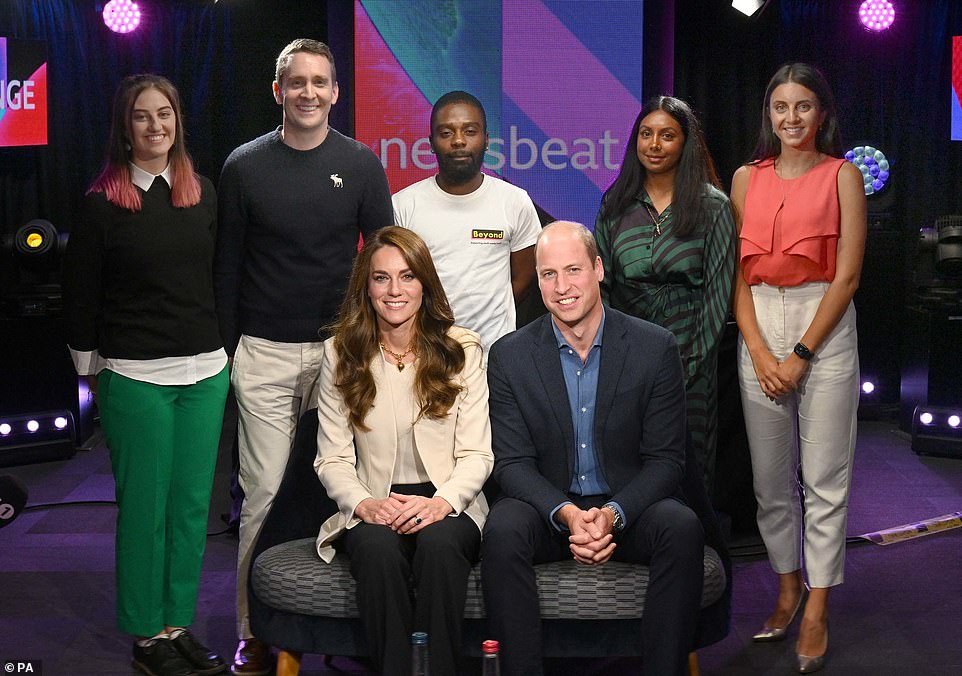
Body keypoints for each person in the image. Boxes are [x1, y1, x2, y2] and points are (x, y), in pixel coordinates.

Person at [213, 39, 393, 675]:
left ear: (336, 91)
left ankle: (359, 623)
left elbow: (385, 263)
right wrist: (230, 351)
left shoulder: (363, 165)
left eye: (320, 82)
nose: (309, 93)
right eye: (297, 83)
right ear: (278, 90)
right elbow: (227, 267)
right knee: (262, 494)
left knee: (356, 490)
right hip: (263, 352)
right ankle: (255, 630)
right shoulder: (244, 166)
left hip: (344, 352)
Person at [481, 221, 705, 676]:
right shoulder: (509, 355)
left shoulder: (653, 347)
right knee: (502, 528)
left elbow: (667, 461)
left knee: (681, 526)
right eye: (548, 275)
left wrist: (613, 514)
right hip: (550, 509)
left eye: (573, 270)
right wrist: (566, 514)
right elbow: (513, 464)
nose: (562, 287)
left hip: (628, 508)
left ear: (599, 269)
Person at [63, 74, 229, 676]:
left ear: (178, 121)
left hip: (205, 374)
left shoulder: (202, 192)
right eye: (142, 116)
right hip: (134, 377)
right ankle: (146, 637)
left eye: (165, 114)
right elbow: (80, 293)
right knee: (145, 511)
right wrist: (90, 371)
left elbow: (216, 281)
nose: (156, 126)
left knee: (190, 509)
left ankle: (176, 624)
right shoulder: (102, 202)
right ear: (124, 127)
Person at [731, 63, 865, 674]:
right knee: (768, 481)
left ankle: (817, 605)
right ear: (769, 112)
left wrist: (802, 354)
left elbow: (848, 276)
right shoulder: (743, 178)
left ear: (821, 111)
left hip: (824, 323)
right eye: (781, 106)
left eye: (803, 106)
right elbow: (733, 275)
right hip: (758, 320)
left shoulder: (843, 175)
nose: (791, 118)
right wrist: (760, 350)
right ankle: (786, 589)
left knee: (824, 478)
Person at [314, 226, 493, 676]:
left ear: (425, 284)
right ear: (366, 287)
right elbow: (331, 457)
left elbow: (477, 454)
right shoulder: (341, 352)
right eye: (381, 278)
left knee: (439, 544)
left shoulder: (461, 349)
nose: (395, 290)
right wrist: (363, 504)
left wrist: (442, 503)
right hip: (377, 500)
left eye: (407, 276)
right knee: (375, 551)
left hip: (448, 499)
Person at [594, 95, 736, 495]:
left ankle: (693, 552)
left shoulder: (713, 207)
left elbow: (717, 295)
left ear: (686, 143)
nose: (654, 145)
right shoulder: (615, 203)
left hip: (691, 358)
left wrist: (690, 366)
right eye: (646, 134)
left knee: (687, 470)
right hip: (626, 359)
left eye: (667, 136)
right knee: (628, 464)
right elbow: (601, 284)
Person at [392, 90, 541, 351]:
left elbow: (525, 276)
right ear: (431, 142)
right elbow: (395, 282)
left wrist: (494, 309)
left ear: (486, 140)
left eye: (470, 131)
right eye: (446, 133)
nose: (458, 141)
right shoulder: (404, 205)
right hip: (425, 352)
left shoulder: (514, 201)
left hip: (494, 354)